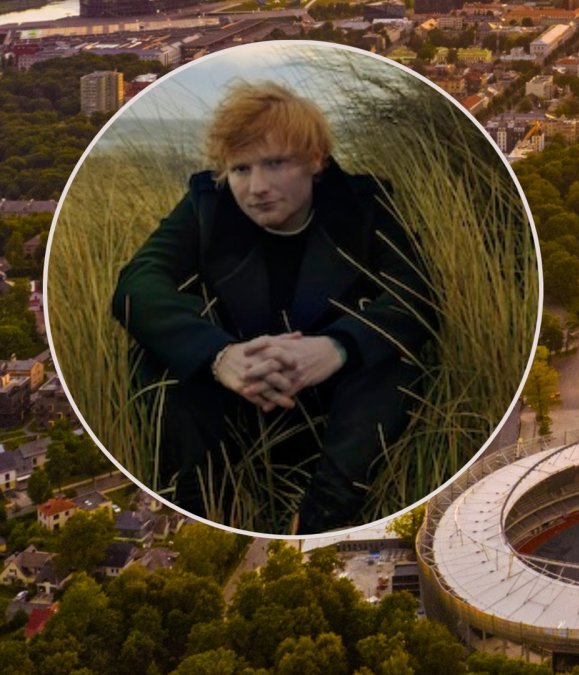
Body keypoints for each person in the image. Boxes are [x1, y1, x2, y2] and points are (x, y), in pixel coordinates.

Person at [112, 82, 433, 534]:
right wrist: (219, 357)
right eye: (241, 169)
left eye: (275, 163)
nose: (256, 188)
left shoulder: (364, 206)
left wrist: (337, 348)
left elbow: (416, 292)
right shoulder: (207, 205)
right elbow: (137, 283)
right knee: (156, 354)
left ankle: (320, 519)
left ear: (315, 160)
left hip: (334, 404)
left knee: (390, 358)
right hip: (236, 397)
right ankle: (204, 510)